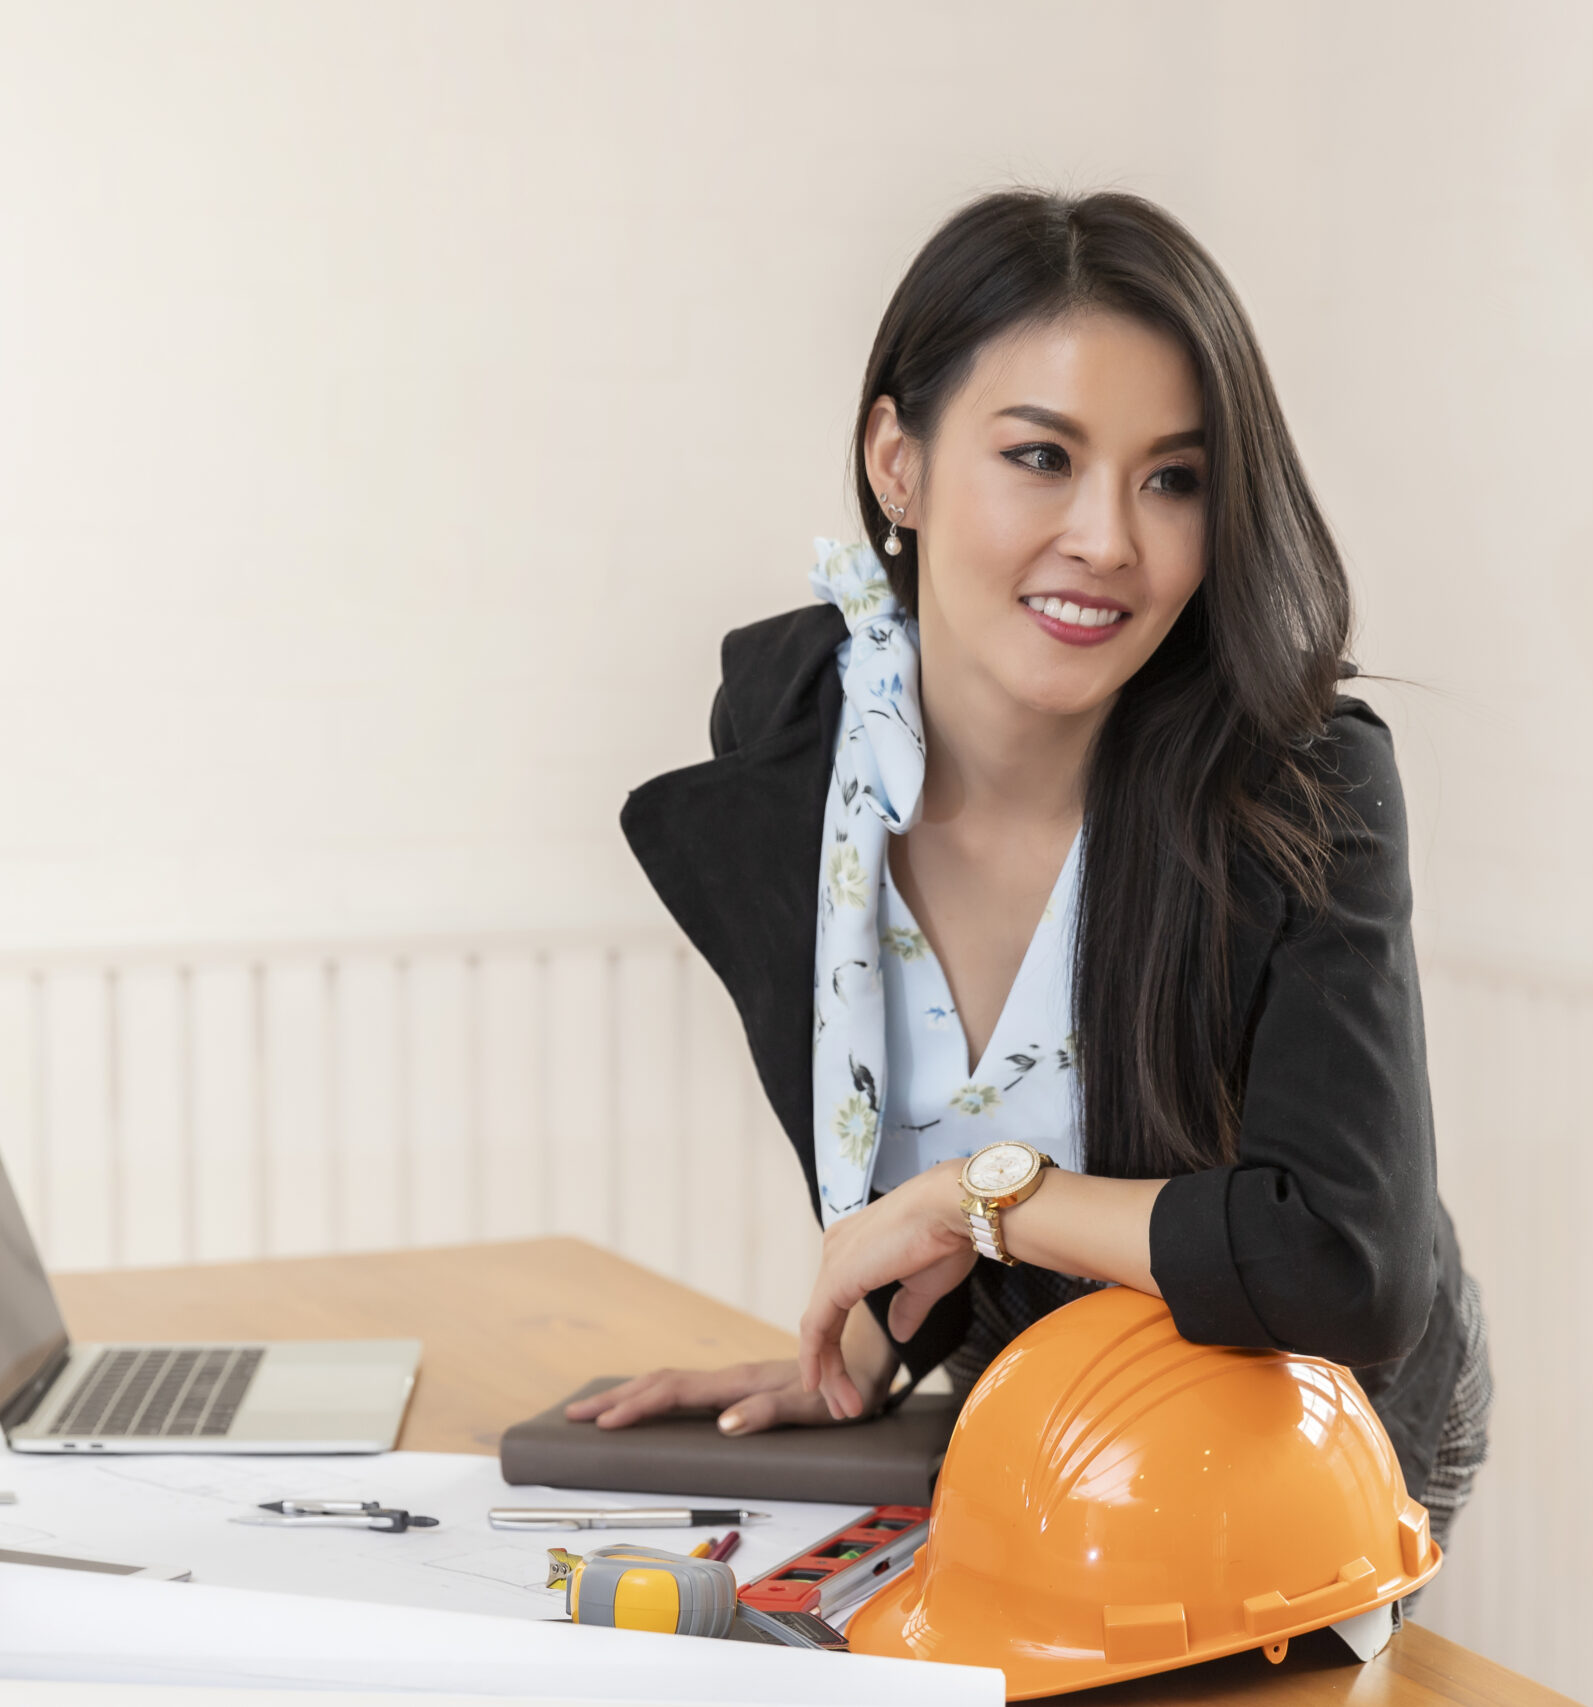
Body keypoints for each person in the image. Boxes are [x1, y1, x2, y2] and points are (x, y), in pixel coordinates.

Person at [575, 189, 1491, 1544]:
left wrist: (984, 1202)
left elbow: (1343, 1263)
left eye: (1172, 478)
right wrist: (872, 1361)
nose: (1110, 538)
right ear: (900, 460)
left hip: (1306, 1450)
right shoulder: (798, 737)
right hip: (1033, 1430)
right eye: (1041, 457)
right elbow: (915, 1102)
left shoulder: (1298, 784)